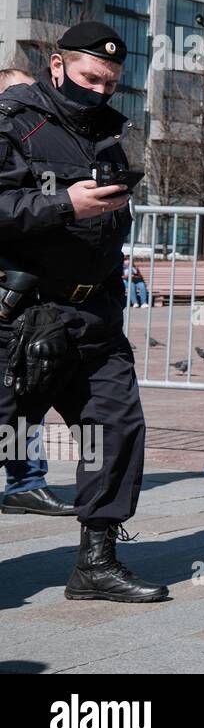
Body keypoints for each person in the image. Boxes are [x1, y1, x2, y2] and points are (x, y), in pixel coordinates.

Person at [0, 25, 167, 601]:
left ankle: (96, 563)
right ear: (56, 66)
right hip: (19, 316)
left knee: (116, 430)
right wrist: (61, 204)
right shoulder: (13, 119)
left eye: (111, 83)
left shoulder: (110, 130)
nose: (100, 91)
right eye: (90, 77)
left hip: (92, 314)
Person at [0, 65, 73, 517]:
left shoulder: (38, 145)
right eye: (20, 95)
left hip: (26, 296)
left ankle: (26, 480)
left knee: (24, 387)